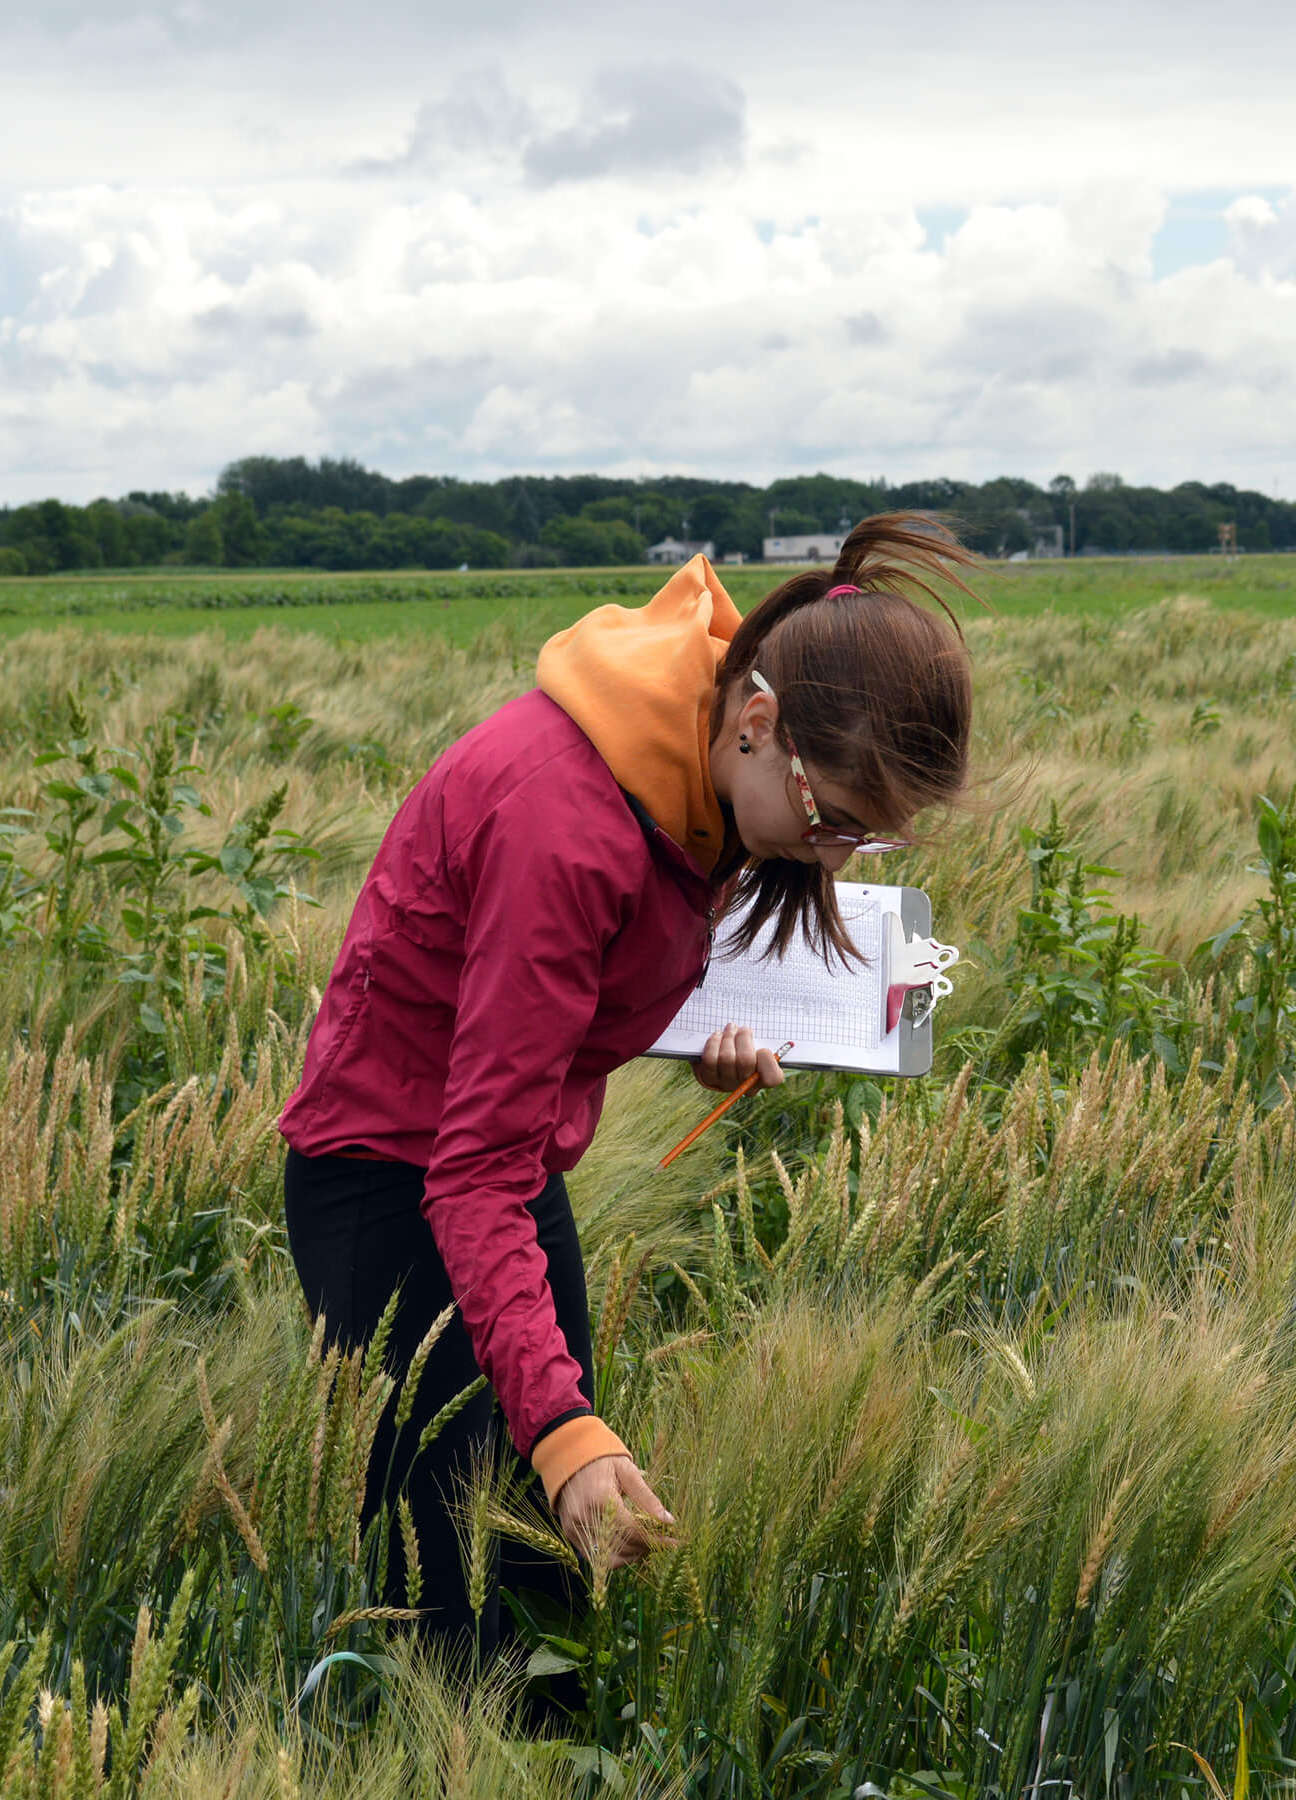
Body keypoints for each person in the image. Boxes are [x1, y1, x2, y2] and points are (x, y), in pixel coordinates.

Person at [277, 514, 978, 1659]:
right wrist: (561, 1433)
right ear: (759, 724)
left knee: (557, 1577)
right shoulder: (562, 822)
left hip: (494, 1167)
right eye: (837, 821)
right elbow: (473, 1168)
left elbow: (575, 976)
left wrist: (688, 1029)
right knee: (449, 1609)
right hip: (395, 1185)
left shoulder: (695, 757)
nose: (840, 859)